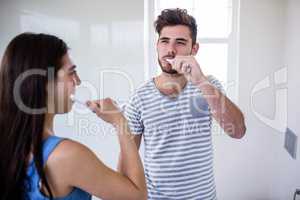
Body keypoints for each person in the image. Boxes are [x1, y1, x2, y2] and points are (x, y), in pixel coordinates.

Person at [0, 33, 147, 200]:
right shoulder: (67, 156)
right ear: (44, 83)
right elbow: (137, 196)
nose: (78, 81)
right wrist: (120, 122)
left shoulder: (9, 148)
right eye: (71, 72)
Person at [123, 8, 246, 199]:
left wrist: (200, 81)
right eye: (164, 41)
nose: (170, 50)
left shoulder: (208, 85)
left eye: (180, 43)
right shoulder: (139, 98)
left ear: (194, 49)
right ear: (157, 45)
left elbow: (238, 131)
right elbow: (126, 161)